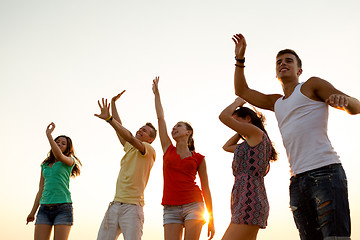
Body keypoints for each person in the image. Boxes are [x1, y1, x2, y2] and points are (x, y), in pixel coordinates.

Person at [232, 33, 360, 239]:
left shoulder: (311, 85)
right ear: (276, 73)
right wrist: (240, 59)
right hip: (297, 181)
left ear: (299, 70)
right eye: (279, 62)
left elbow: (356, 106)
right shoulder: (276, 102)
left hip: (325, 173)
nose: (283, 64)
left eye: (289, 61)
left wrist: (344, 101)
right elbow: (242, 90)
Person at [152, 76, 215, 240]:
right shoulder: (167, 149)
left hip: (194, 205)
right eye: (174, 127)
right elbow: (160, 118)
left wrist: (211, 218)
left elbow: (206, 188)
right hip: (170, 207)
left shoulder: (199, 158)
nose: (174, 128)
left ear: (188, 132)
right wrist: (156, 94)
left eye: (179, 126)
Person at [95, 92, 157, 240]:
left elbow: (128, 135)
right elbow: (120, 127)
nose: (140, 130)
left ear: (151, 139)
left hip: (132, 208)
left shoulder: (148, 149)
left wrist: (109, 119)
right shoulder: (129, 147)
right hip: (115, 205)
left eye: (144, 131)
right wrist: (113, 103)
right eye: (140, 128)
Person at [219, 97, 277, 240]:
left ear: (248, 119)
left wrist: (237, 103)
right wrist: (240, 131)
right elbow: (226, 147)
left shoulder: (257, 134)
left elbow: (223, 117)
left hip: (250, 199)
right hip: (244, 197)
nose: (234, 125)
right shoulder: (248, 143)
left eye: (236, 120)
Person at [26, 122, 82, 240]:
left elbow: (59, 155)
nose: (59, 144)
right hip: (44, 209)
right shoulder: (45, 165)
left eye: (63, 143)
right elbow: (41, 189)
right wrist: (32, 212)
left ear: (68, 148)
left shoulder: (69, 161)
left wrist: (49, 135)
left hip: (63, 208)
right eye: (57, 142)